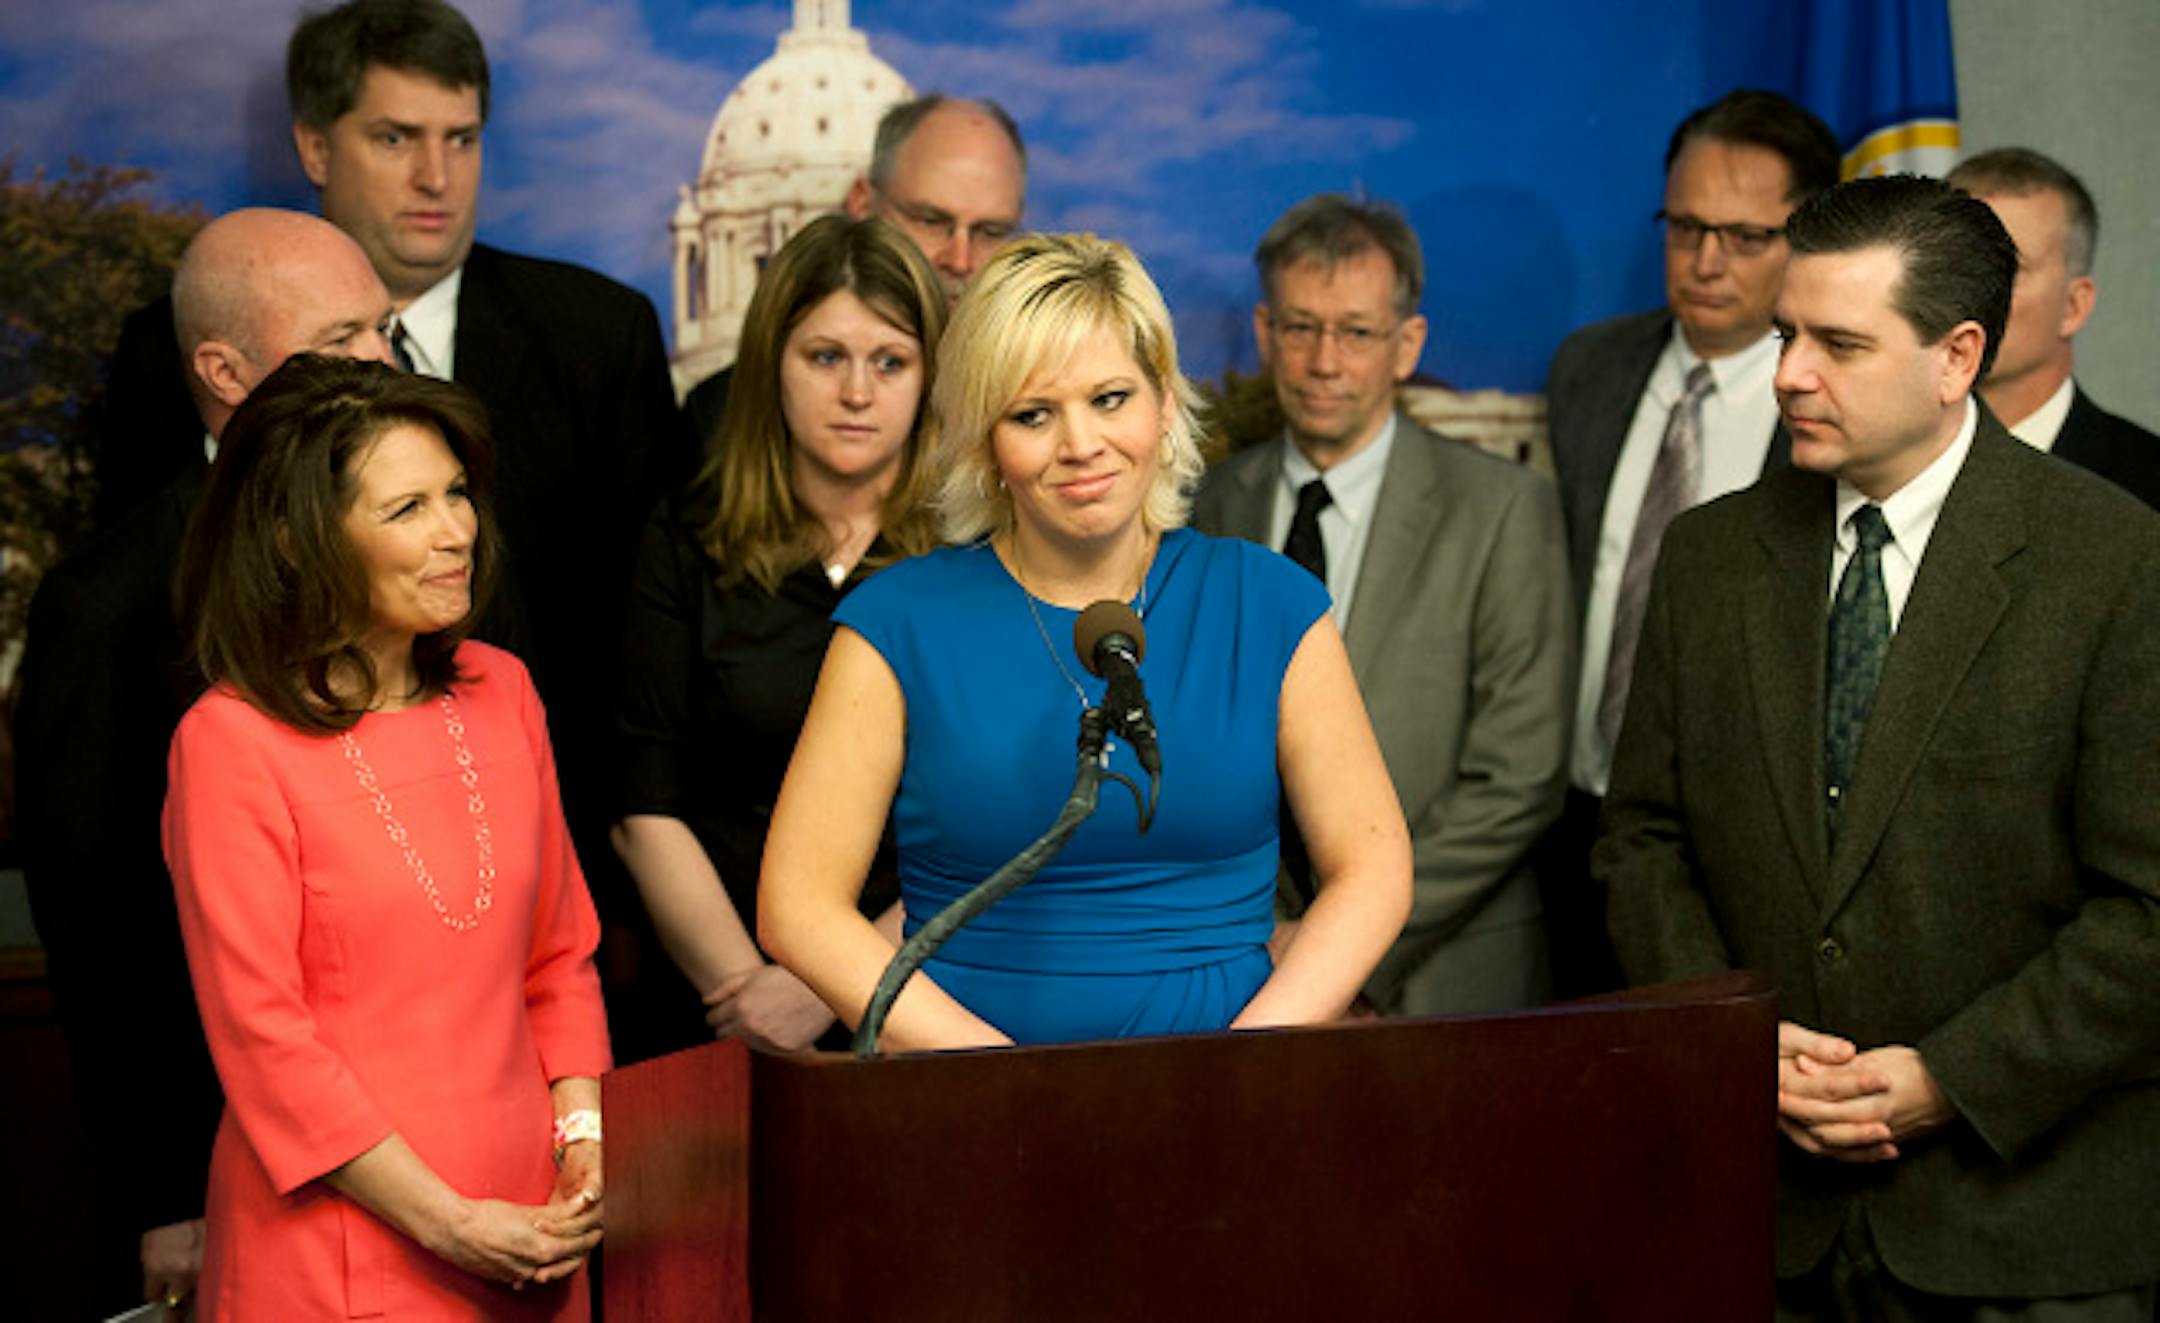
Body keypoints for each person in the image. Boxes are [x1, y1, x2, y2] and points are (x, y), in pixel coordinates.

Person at [1597, 175, 2160, 1318]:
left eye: (1837, 344)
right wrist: (1739, 1043)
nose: (1789, 374)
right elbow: (1642, 841)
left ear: (1955, 358)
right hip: (1761, 1227)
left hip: (2022, 1234)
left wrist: (1948, 1080)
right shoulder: (1708, 559)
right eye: (1785, 334)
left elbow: (2146, 910)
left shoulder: (2116, 560)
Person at [759, 233, 1411, 1049]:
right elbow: (796, 905)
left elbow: (1374, 870)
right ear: (985, 442)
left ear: (1164, 402)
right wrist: (989, 1070)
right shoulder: (895, 624)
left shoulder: (1269, 602)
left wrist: (1245, 1061)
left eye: (1111, 398)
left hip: (1228, 1099)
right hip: (967, 1100)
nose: (1081, 445)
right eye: (1033, 414)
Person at [163, 355, 613, 1318]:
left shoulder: (504, 692)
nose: (457, 533)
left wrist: (585, 1137)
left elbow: (561, 958)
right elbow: (265, 1041)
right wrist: (452, 1221)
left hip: (537, 1232)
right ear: (295, 539)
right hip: (338, 1247)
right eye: (407, 509)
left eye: (456, 494)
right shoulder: (229, 740)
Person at [17, 208, 394, 1315]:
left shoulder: (434, 551)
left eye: (382, 331)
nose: (376, 363)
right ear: (224, 371)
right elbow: (101, 931)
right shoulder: (108, 604)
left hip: (445, 1126)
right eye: (340, 339)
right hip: (236, 1164)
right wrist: (163, 1196)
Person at [1193, 195, 1573, 1016]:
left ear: (1407, 345)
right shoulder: (1204, 507)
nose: (1325, 360)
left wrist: (1341, 937)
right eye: (1300, 327)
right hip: (1233, 978)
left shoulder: (1503, 511)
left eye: (1357, 332)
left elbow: (1520, 777)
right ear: (1263, 334)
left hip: (1441, 985)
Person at [612, 214, 946, 1053]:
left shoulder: (978, 558)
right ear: (772, 363)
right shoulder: (689, 533)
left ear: (931, 376)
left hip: (924, 1006)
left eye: (891, 362)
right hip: (714, 1001)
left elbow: (1007, 817)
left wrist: (825, 984)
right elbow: (644, 802)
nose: (858, 393)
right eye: (825, 356)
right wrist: (751, 1004)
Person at [1541, 88, 1839, 996]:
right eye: (1685, 227)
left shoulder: (1833, 414)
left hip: (1728, 852)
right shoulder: (1589, 368)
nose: (1707, 261)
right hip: (1566, 827)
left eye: (1748, 237)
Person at [681, 92, 1027, 444]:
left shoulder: (1039, 406)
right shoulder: (721, 420)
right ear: (862, 201)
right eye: (930, 221)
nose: (960, 261)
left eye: (991, 232)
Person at [1945, 146, 2160, 508]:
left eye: (2006, 266)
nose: (1970, 290)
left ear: (2073, 307)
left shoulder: (2148, 488)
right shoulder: (1868, 469)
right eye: (1953, 263)